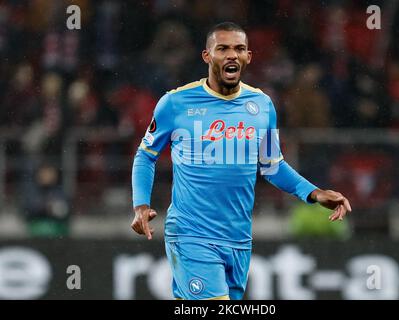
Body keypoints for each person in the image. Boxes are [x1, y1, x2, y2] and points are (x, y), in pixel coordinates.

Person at [131, 22, 352, 300]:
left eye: (239, 49)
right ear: (207, 56)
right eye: (222, 48)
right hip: (191, 234)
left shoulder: (261, 105)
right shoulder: (175, 103)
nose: (232, 55)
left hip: (238, 239)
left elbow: (271, 165)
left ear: (249, 56)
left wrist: (314, 193)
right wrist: (140, 204)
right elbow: (146, 155)